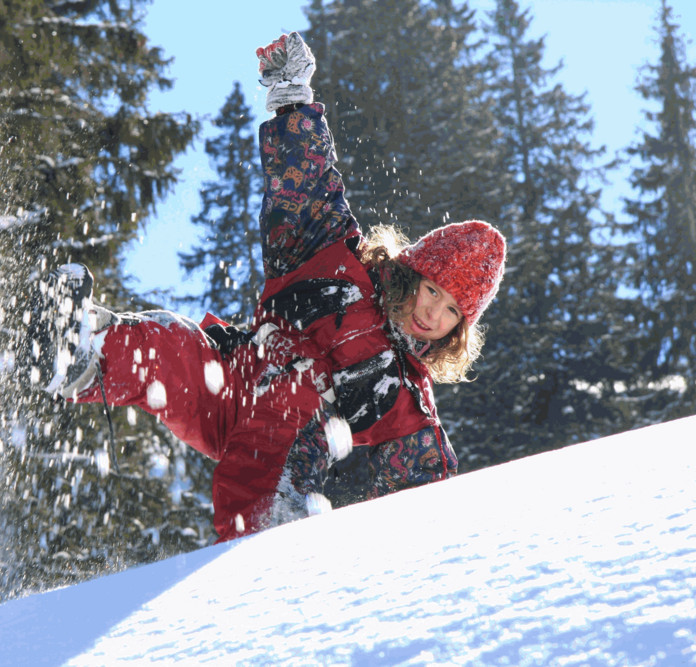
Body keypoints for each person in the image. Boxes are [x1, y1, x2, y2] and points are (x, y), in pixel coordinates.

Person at [25, 32, 506, 542]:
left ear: (458, 330)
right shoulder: (335, 259)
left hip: (292, 428)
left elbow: (427, 487)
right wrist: (291, 93)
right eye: (433, 290)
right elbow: (308, 185)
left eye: (452, 311)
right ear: (412, 271)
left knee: (289, 419)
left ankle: (262, 551)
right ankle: (79, 352)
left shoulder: (404, 394)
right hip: (232, 379)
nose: (433, 313)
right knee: (170, 343)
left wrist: (445, 548)